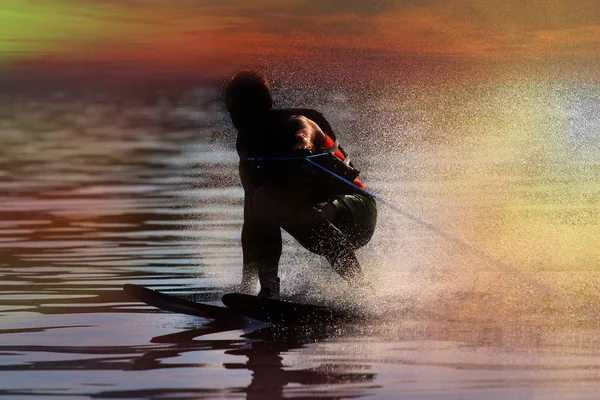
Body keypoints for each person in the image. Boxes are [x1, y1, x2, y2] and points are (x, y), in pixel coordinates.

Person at [225, 70, 377, 297]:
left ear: (261, 107)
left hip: (357, 213)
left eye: (239, 111)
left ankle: (362, 291)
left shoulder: (295, 123)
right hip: (318, 228)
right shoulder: (247, 145)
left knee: (313, 215)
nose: (234, 119)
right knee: (262, 202)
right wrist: (245, 287)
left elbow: (304, 133)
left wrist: (302, 147)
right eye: (231, 111)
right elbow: (252, 222)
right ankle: (268, 291)